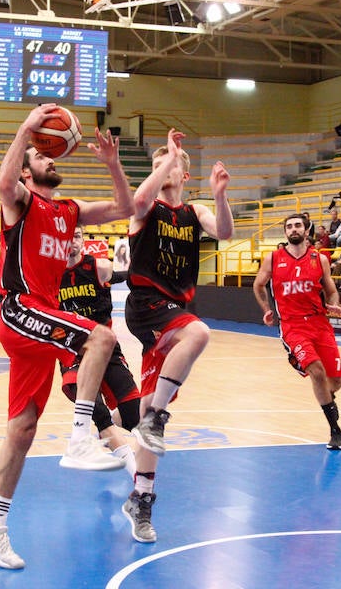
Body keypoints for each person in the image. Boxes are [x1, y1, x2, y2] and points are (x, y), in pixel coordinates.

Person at [0, 105, 134, 569]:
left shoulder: (70, 211)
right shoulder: (21, 201)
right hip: (19, 307)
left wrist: (113, 164)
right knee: (101, 338)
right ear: (27, 170)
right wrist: (26, 130)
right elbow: (4, 184)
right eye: (41, 156)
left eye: (48, 153)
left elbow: (124, 208)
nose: (50, 157)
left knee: (22, 429)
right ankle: (81, 436)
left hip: (42, 315)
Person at [123, 128, 233, 543]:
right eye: (156, 165)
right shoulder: (145, 209)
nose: (162, 169)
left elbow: (224, 232)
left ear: (184, 176)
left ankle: (141, 499)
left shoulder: (193, 212)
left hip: (173, 311)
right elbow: (137, 201)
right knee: (200, 333)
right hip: (146, 304)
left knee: (147, 411)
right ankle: (155, 418)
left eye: (169, 166)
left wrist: (220, 196)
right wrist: (167, 157)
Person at [253, 214, 341, 451]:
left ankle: (327, 400)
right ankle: (335, 430)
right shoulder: (273, 258)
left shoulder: (320, 259)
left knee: (336, 381)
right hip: (292, 326)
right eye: (289, 226)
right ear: (285, 232)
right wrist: (266, 309)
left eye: (298, 226)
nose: (293, 229)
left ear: (306, 231)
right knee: (317, 372)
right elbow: (258, 284)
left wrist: (334, 304)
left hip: (319, 323)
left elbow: (331, 291)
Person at [57, 225, 140, 477]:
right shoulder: (50, 275)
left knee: (134, 415)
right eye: (67, 236)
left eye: (77, 236)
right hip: (73, 354)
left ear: (83, 240)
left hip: (107, 349)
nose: (73, 241)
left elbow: (127, 276)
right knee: (100, 415)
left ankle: (110, 428)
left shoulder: (99, 267)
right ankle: (139, 483)